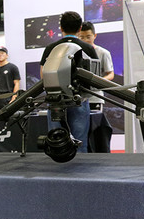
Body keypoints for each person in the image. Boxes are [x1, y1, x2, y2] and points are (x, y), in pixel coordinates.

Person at [40, 11, 99, 153]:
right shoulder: (88, 48)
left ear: (61, 28)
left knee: (56, 142)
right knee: (80, 142)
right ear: (80, 28)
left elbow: (43, 75)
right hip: (80, 100)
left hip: (55, 101)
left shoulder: (51, 48)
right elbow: (95, 77)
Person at [78, 21, 114, 111]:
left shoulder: (103, 53)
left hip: (95, 97)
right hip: (78, 98)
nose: (85, 40)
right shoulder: (75, 52)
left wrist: (97, 82)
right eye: (81, 37)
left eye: (88, 37)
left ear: (95, 36)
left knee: (95, 119)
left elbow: (110, 74)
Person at [0, 47, 20, 112]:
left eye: (2, 53)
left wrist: (13, 98)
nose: (0, 55)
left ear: (7, 55)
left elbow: (17, 83)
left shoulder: (13, 67)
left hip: (7, 97)